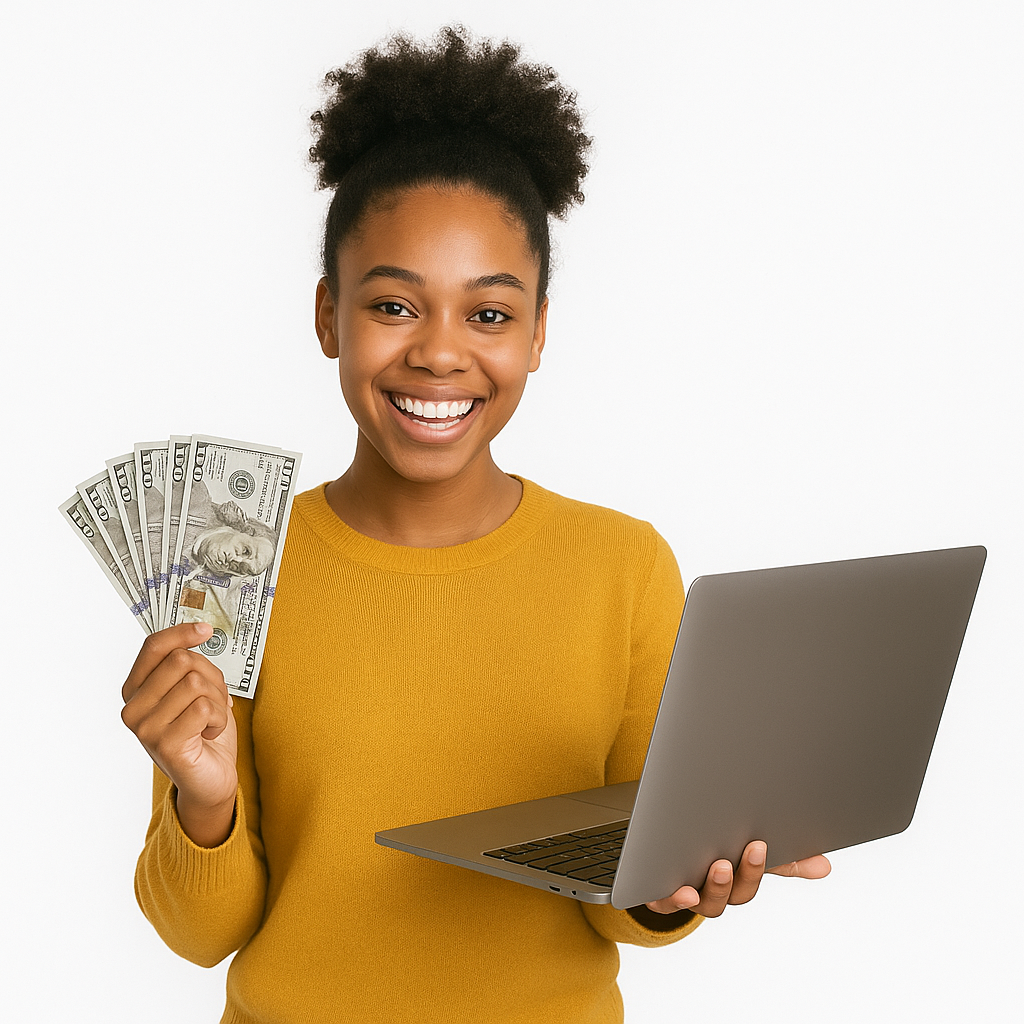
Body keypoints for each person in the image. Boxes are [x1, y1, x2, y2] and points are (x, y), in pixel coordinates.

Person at [121, 26, 829, 1023]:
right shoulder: (228, 560)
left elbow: (622, 909)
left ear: (539, 330)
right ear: (328, 315)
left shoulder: (623, 568)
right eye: (394, 305)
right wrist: (203, 794)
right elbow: (201, 933)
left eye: (488, 315)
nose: (440, 354)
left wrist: (675, 888)